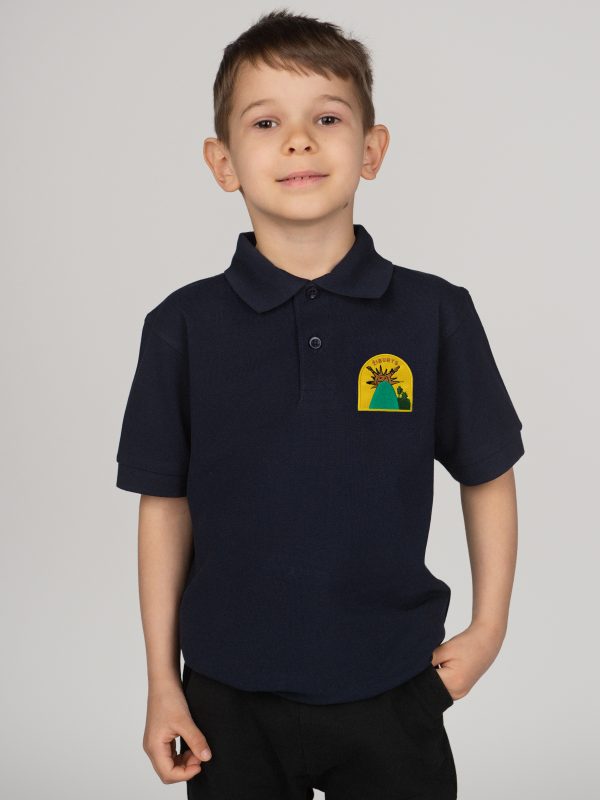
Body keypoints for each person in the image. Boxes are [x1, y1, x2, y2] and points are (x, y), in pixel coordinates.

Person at [115, 9, 525, 799]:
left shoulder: (435, 314)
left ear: (371, 150)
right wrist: (163, 682)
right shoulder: (180, 328)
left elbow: (488, 473)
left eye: (327, 118)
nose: (299, 141)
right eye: (266, 122)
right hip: (227, 696)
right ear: (223, 161)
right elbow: (163, 506)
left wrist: (489, 630)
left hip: (394, 685)